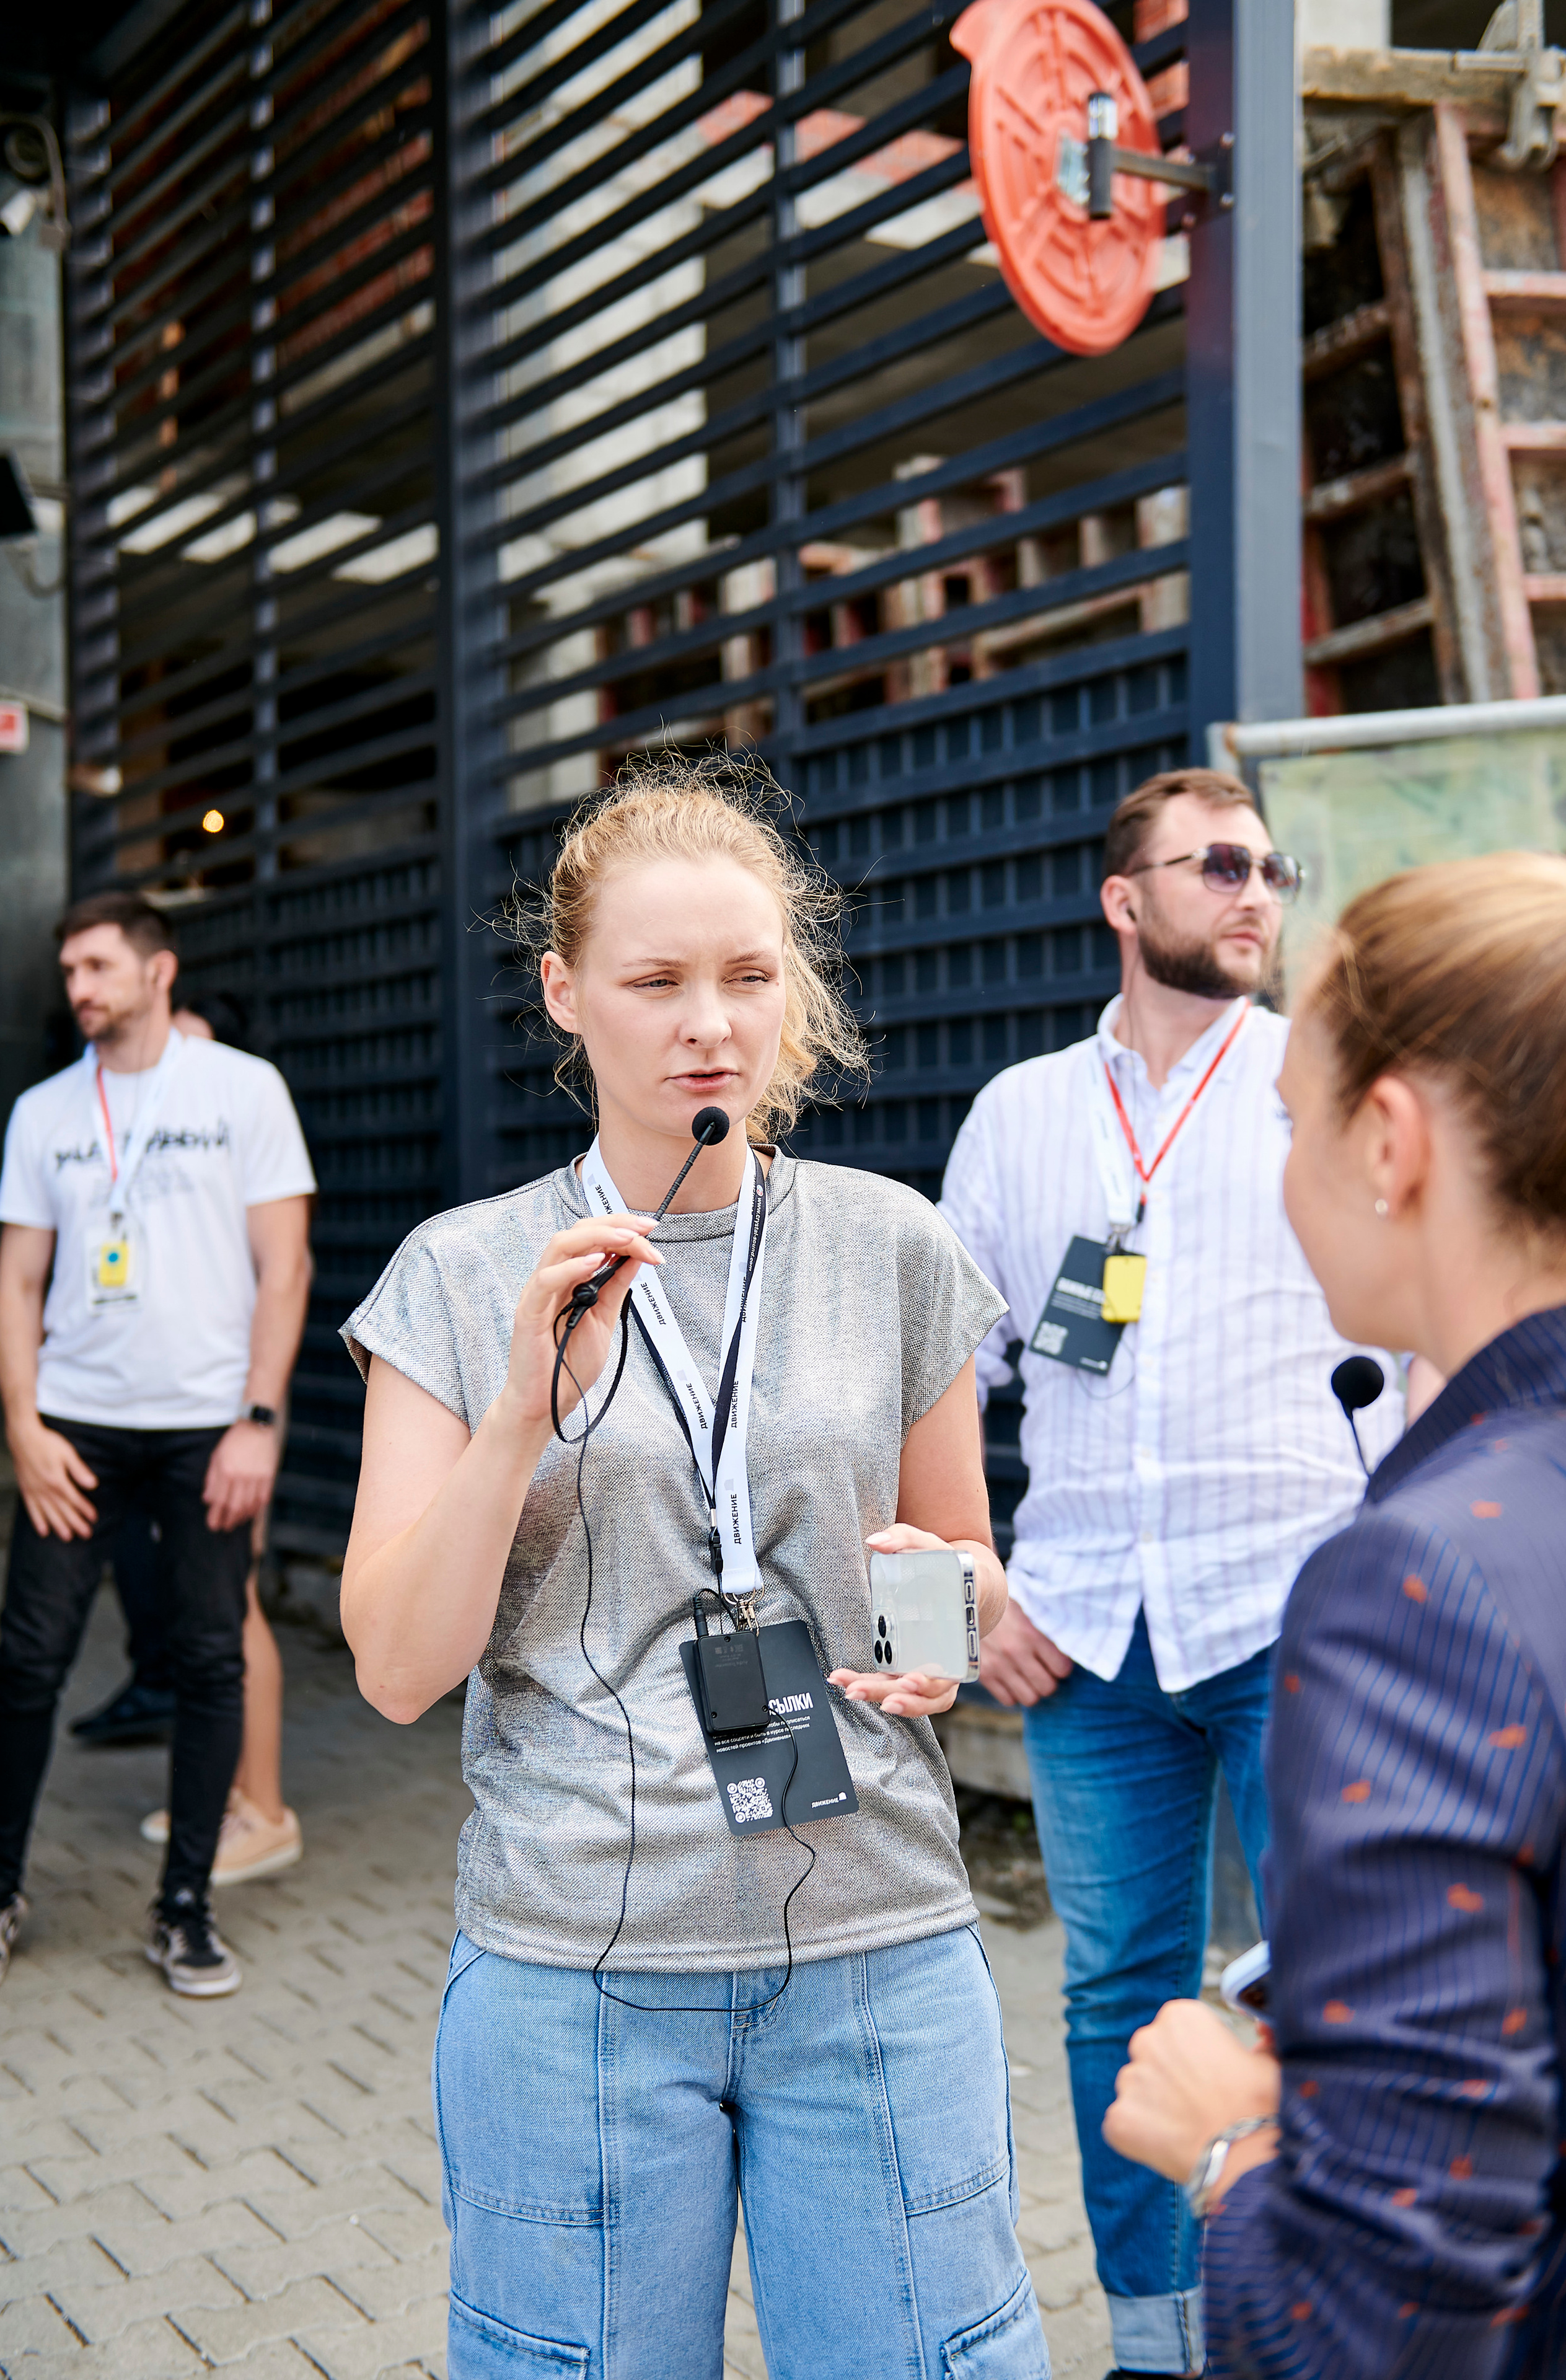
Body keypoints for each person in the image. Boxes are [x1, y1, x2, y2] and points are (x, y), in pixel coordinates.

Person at [338, 759, 1049, 2380]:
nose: (707, 1022)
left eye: (746, 976)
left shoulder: (892, 1245)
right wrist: (523, 1409)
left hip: (876, 1944)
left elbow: (960, 1565)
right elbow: (389, 1668)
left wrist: (941, 1628)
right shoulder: (458, 1273)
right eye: (655, 983)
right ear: (564, 993)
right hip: (578, 1964)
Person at [938, 767, 1403, 2378]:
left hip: (1302, 1619)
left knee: (1341, 1994)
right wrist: (959, 1605)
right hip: (1079, 1634)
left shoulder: (1328, 1088)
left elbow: (1416, 1350)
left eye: (1271, 867)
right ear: (1124, 902)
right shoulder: (1018, 1116)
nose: (1256, 891)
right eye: (1217, 865)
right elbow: (930, 1386)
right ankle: (1157, 2341)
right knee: (1112, 2003)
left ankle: (1336, 2321)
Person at [1104, 850, 1566, 2376]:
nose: (1283, 1173)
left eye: (1293, 1124)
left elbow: (1378, 2328)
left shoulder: (1420, 1586)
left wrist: (1227, 2145)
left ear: (1390, 1142)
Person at [0, 892, 314, 1997]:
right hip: (76, 1429)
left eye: (96, 966)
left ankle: (186, 1910)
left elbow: (287, 1269)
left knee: (210, 1657)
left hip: (206, 1430)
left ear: (156, 969)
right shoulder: (45, 1112)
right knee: (28, 1662)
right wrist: (25, 1429)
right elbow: (17, 1281)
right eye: (68, 971)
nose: (78, 987)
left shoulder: (243, 1090)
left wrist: (258, 1422)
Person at [76, 992, 306, 1885]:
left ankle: (265, 1810)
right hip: (191, 1407)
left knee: (234, 1600)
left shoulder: (245, 1133)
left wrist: (256, 1413)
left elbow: (274, 1281)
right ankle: (224, 1792)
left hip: (235, 1405)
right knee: (207, 1600)